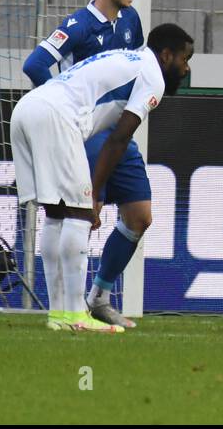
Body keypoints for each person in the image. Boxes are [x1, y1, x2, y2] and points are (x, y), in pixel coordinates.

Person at [12, 24, 193, 332]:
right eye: (185, 59)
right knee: (79, 214)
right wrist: (94, 193)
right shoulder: (152, 75)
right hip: (57, 116)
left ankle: (59, 315)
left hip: (27, 109)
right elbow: (119, 139)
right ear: (166, 55)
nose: (187, 68)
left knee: (57, 214)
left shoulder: (127, 58)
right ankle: (76, 315)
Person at [21, 0, 149, 328]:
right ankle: (66, 309)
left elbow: (135, 64)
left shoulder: (130, 20)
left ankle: (99, 296)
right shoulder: (77, 26)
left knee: (140, 216)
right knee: (75, 213)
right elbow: (34, 64)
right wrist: (62, 106)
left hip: (119, 129)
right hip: (87, 131)